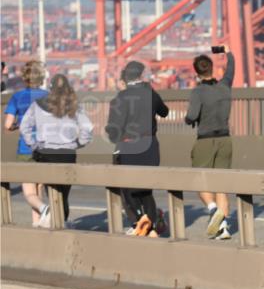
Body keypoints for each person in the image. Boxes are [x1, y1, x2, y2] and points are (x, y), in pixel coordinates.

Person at [19, 74, 94, 226]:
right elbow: (87, 127)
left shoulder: (38, 104)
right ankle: (62, 221)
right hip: (67, 154)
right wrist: (79, 143)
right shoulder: (74, 105)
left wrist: (33, 145)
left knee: (52, 191)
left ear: (50, 88)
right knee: (64, 193)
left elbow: (24, 127)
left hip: (45, 153)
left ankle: (56, 222)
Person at [106, 60, 170, 236]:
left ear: (125, 77)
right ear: (141, 75)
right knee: (146, 187)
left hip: (129, 146)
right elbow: (165, 112)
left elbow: (114, 128)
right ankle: (151, 225)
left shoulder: (120, 98)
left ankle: (138, 222)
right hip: (150, 145)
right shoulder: (150, 93)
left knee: (128, 187)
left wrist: (113, 136)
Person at [185, 45, 235, 240]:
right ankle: (223, 228)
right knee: (221, 185)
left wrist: (188, 120)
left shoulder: (198, 92)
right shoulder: (225, 85)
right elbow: (232, 68)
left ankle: (214, 211)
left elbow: (192, 115)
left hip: (205, 140)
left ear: (197, 72)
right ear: (212, 69)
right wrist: (228, 52)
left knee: (200, 181)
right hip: (225, 139)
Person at [3, 60, 48, 226]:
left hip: (26, 148)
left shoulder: (17, 97)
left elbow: (7, 125)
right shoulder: (48, 96)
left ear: (25, 78)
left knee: (29, 192)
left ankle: (44, 210)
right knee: (38, 188)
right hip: (45, 148)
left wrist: (18, 125)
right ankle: (38, 224)